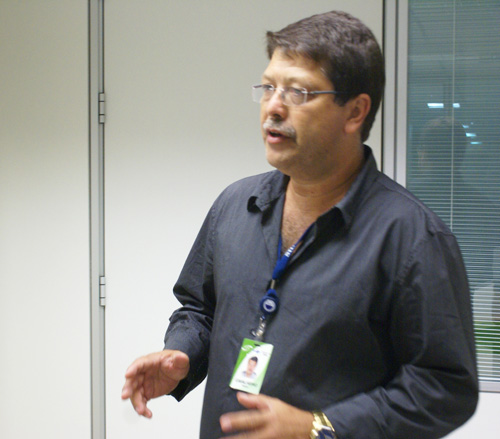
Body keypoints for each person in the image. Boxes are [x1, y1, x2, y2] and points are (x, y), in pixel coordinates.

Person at [122, 10, 478, 439]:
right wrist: (181, 355)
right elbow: (200, 309)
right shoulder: (235, 206)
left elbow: (445, 387)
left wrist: (321, 428)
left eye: (298, 92)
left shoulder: (413, 238)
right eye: (269, 87)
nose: (273, 106)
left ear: (355, 112)